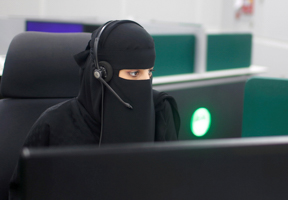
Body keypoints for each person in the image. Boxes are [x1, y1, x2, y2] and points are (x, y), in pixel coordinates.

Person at [9, 20, 180, 199]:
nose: (146, 83)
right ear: (101, 73)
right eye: (134, 73)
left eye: (149, 73)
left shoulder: (160, 113)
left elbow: (174, 187)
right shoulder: (54, 125)